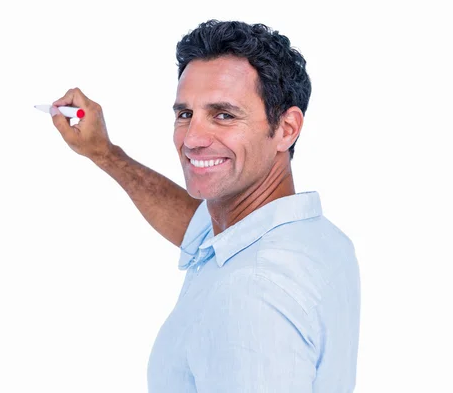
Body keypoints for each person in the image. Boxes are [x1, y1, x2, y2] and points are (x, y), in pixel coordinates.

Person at [50, 20, 360, 392]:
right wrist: (105, 153)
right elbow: (198, 229)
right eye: (185, 114)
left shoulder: (253, 293)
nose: (193, 139)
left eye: (224, 115)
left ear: (287, 128)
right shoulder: (309, 237)